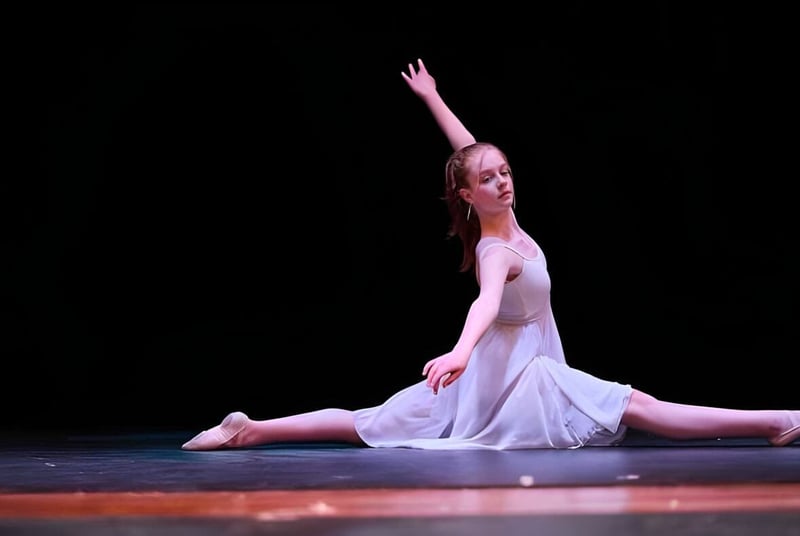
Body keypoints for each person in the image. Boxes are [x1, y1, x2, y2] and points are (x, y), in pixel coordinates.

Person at [181, 58, 799, 451]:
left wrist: (432, 97)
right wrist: (459, 351)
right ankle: (778, 419)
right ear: (467, 195)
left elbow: (468, 149)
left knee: (368, 422)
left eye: (505, 172)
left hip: (504, 370)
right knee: (638, 405)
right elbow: (485, 303)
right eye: (489, 179)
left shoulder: (506, 218)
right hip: (516, 374)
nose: (503, 182)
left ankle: (251, 429)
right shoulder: (496, 248)